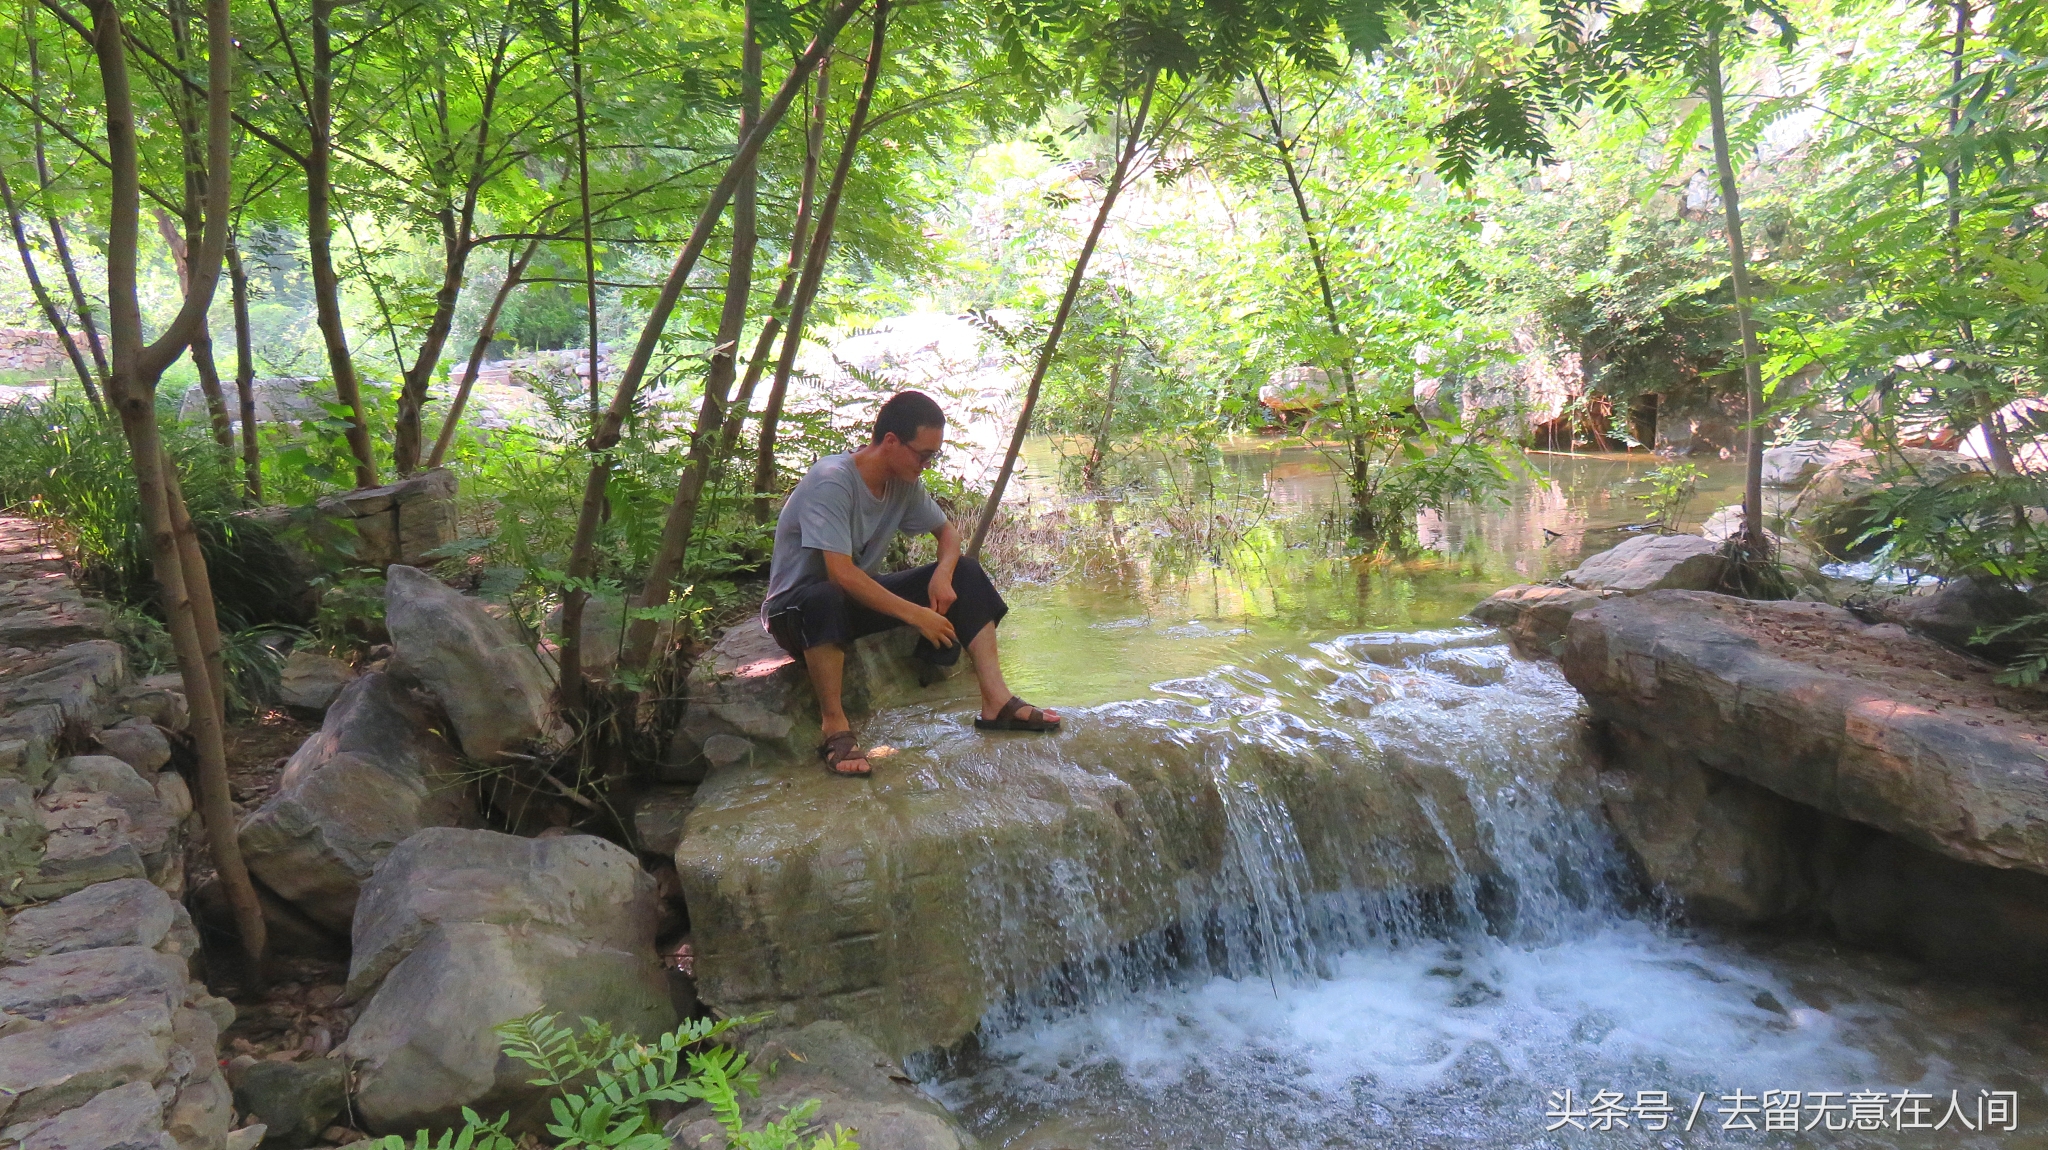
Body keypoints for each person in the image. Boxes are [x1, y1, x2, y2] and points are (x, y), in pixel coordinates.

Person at [762, 390, 1061, 776]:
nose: (927, 464)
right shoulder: (831, 481)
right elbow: (841, 573)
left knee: (966, 571)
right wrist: (918, 615)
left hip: (851, 598)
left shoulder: (903, 481)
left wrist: (942, 573)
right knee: (826, 596)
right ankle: (834, 727)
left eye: (932, 456)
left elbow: (949, 536)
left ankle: (996, 702)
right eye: (923, 454)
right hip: (796, 610)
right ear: (890, 442)